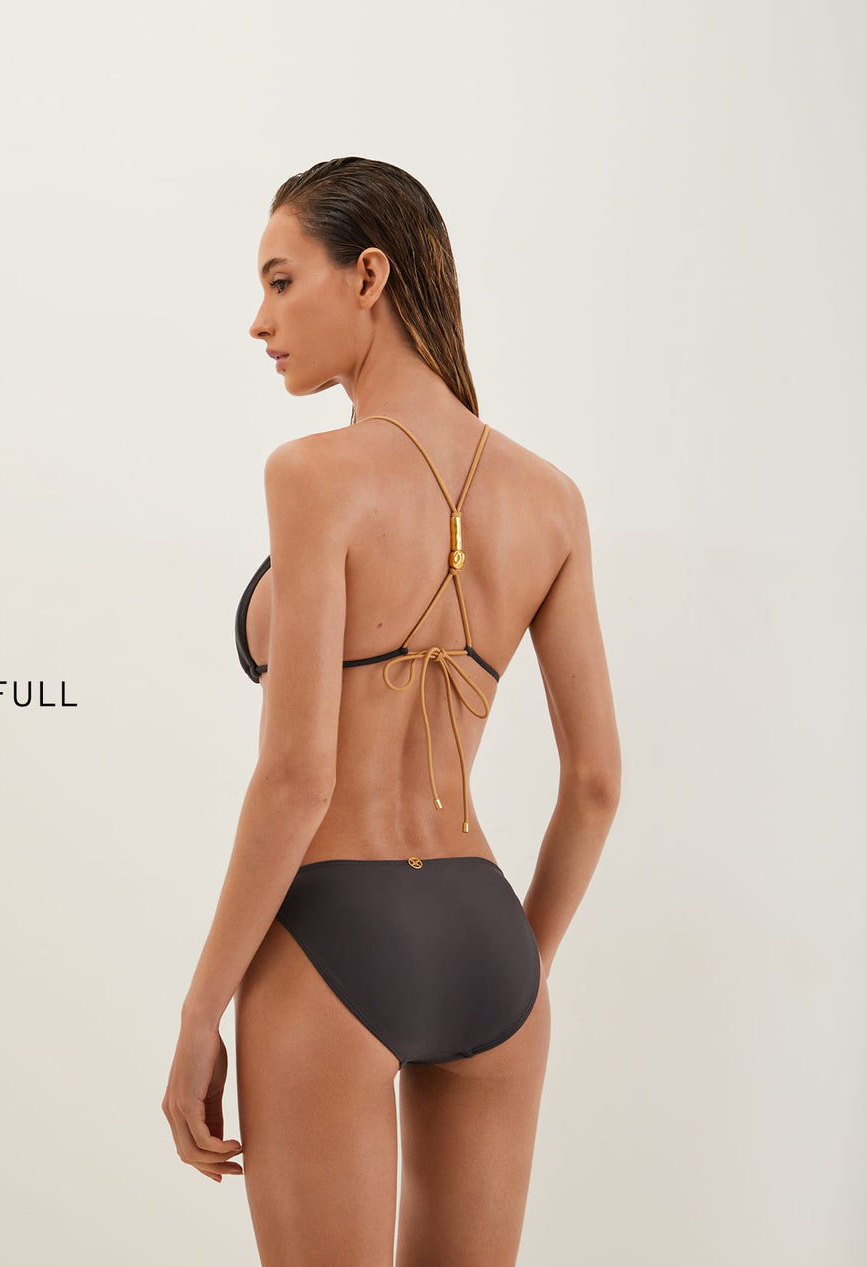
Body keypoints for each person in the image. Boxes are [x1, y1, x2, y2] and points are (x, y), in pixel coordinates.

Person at [162, 156, 621, 1266]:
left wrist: (198, 1014)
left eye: (281, 281)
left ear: (368, 276)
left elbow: (297, 778)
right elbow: (597, 783)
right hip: (487, 936)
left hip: (336, 936)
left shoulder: (314, 475)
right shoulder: (551, 500)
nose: (260, 321)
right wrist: (520, 969)